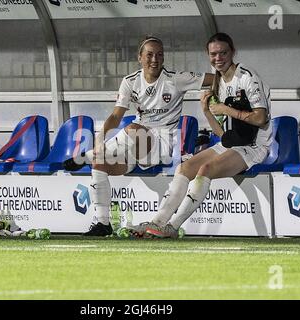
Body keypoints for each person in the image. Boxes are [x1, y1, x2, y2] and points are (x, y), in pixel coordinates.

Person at [69, 35, 213, 236]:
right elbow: (116, 115)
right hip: (134, 147)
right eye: (150, 55)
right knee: (99, 163)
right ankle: (103, 223)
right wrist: (101, 138)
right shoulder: (130, 82)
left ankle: (88, 154)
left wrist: (228, 86)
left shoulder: (175, 79)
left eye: (159, 55)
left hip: (161, 146)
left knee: (133, 130)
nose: (155, 59)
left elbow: (215, 78)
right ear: (140, 57)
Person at [136, 32, 273, 238]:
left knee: (205, 168)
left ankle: (172, 227)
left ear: (232, 52)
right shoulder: (219, 81)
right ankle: (157, 222)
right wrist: (207, 111)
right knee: (185, 167)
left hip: (254, 147)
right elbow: (223, 135)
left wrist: (228, 110)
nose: (218, 58)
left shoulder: (246, 77)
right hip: (232, 144)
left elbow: (261, 118)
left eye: (223, 53)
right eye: (213, 54)